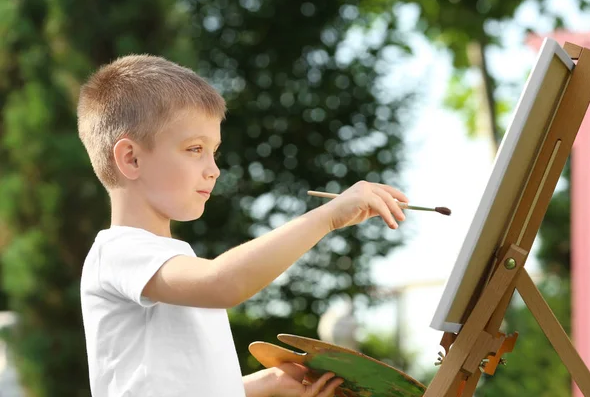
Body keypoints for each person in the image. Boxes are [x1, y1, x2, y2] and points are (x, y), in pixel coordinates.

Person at [77, 54, 409, 397]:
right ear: (131, 158)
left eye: (214, 152)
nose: (213, 169)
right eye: (195, 149)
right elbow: (223, 282)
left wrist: (265, 385)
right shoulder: (119, 252)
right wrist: (328, 217)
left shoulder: (172, 260)